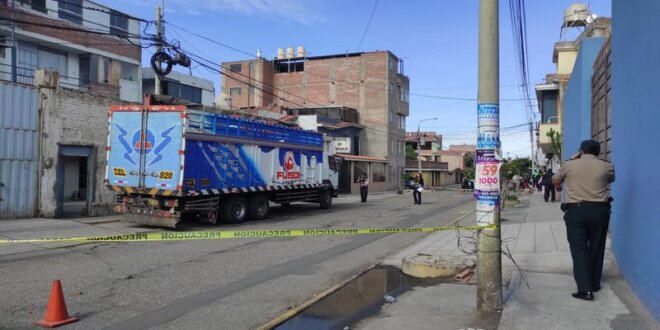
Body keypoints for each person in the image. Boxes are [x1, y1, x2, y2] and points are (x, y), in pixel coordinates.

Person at [552, 140, 615, 301]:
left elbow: (555, 181)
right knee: (597, 247)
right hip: (600, 211)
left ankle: (585, 290)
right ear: (598, 152)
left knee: (579, 249)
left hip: (576, 212)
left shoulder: (569, 165)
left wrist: (574, 159)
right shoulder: (607, 166)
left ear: (581, 150)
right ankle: (594, 283)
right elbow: (610, 180)